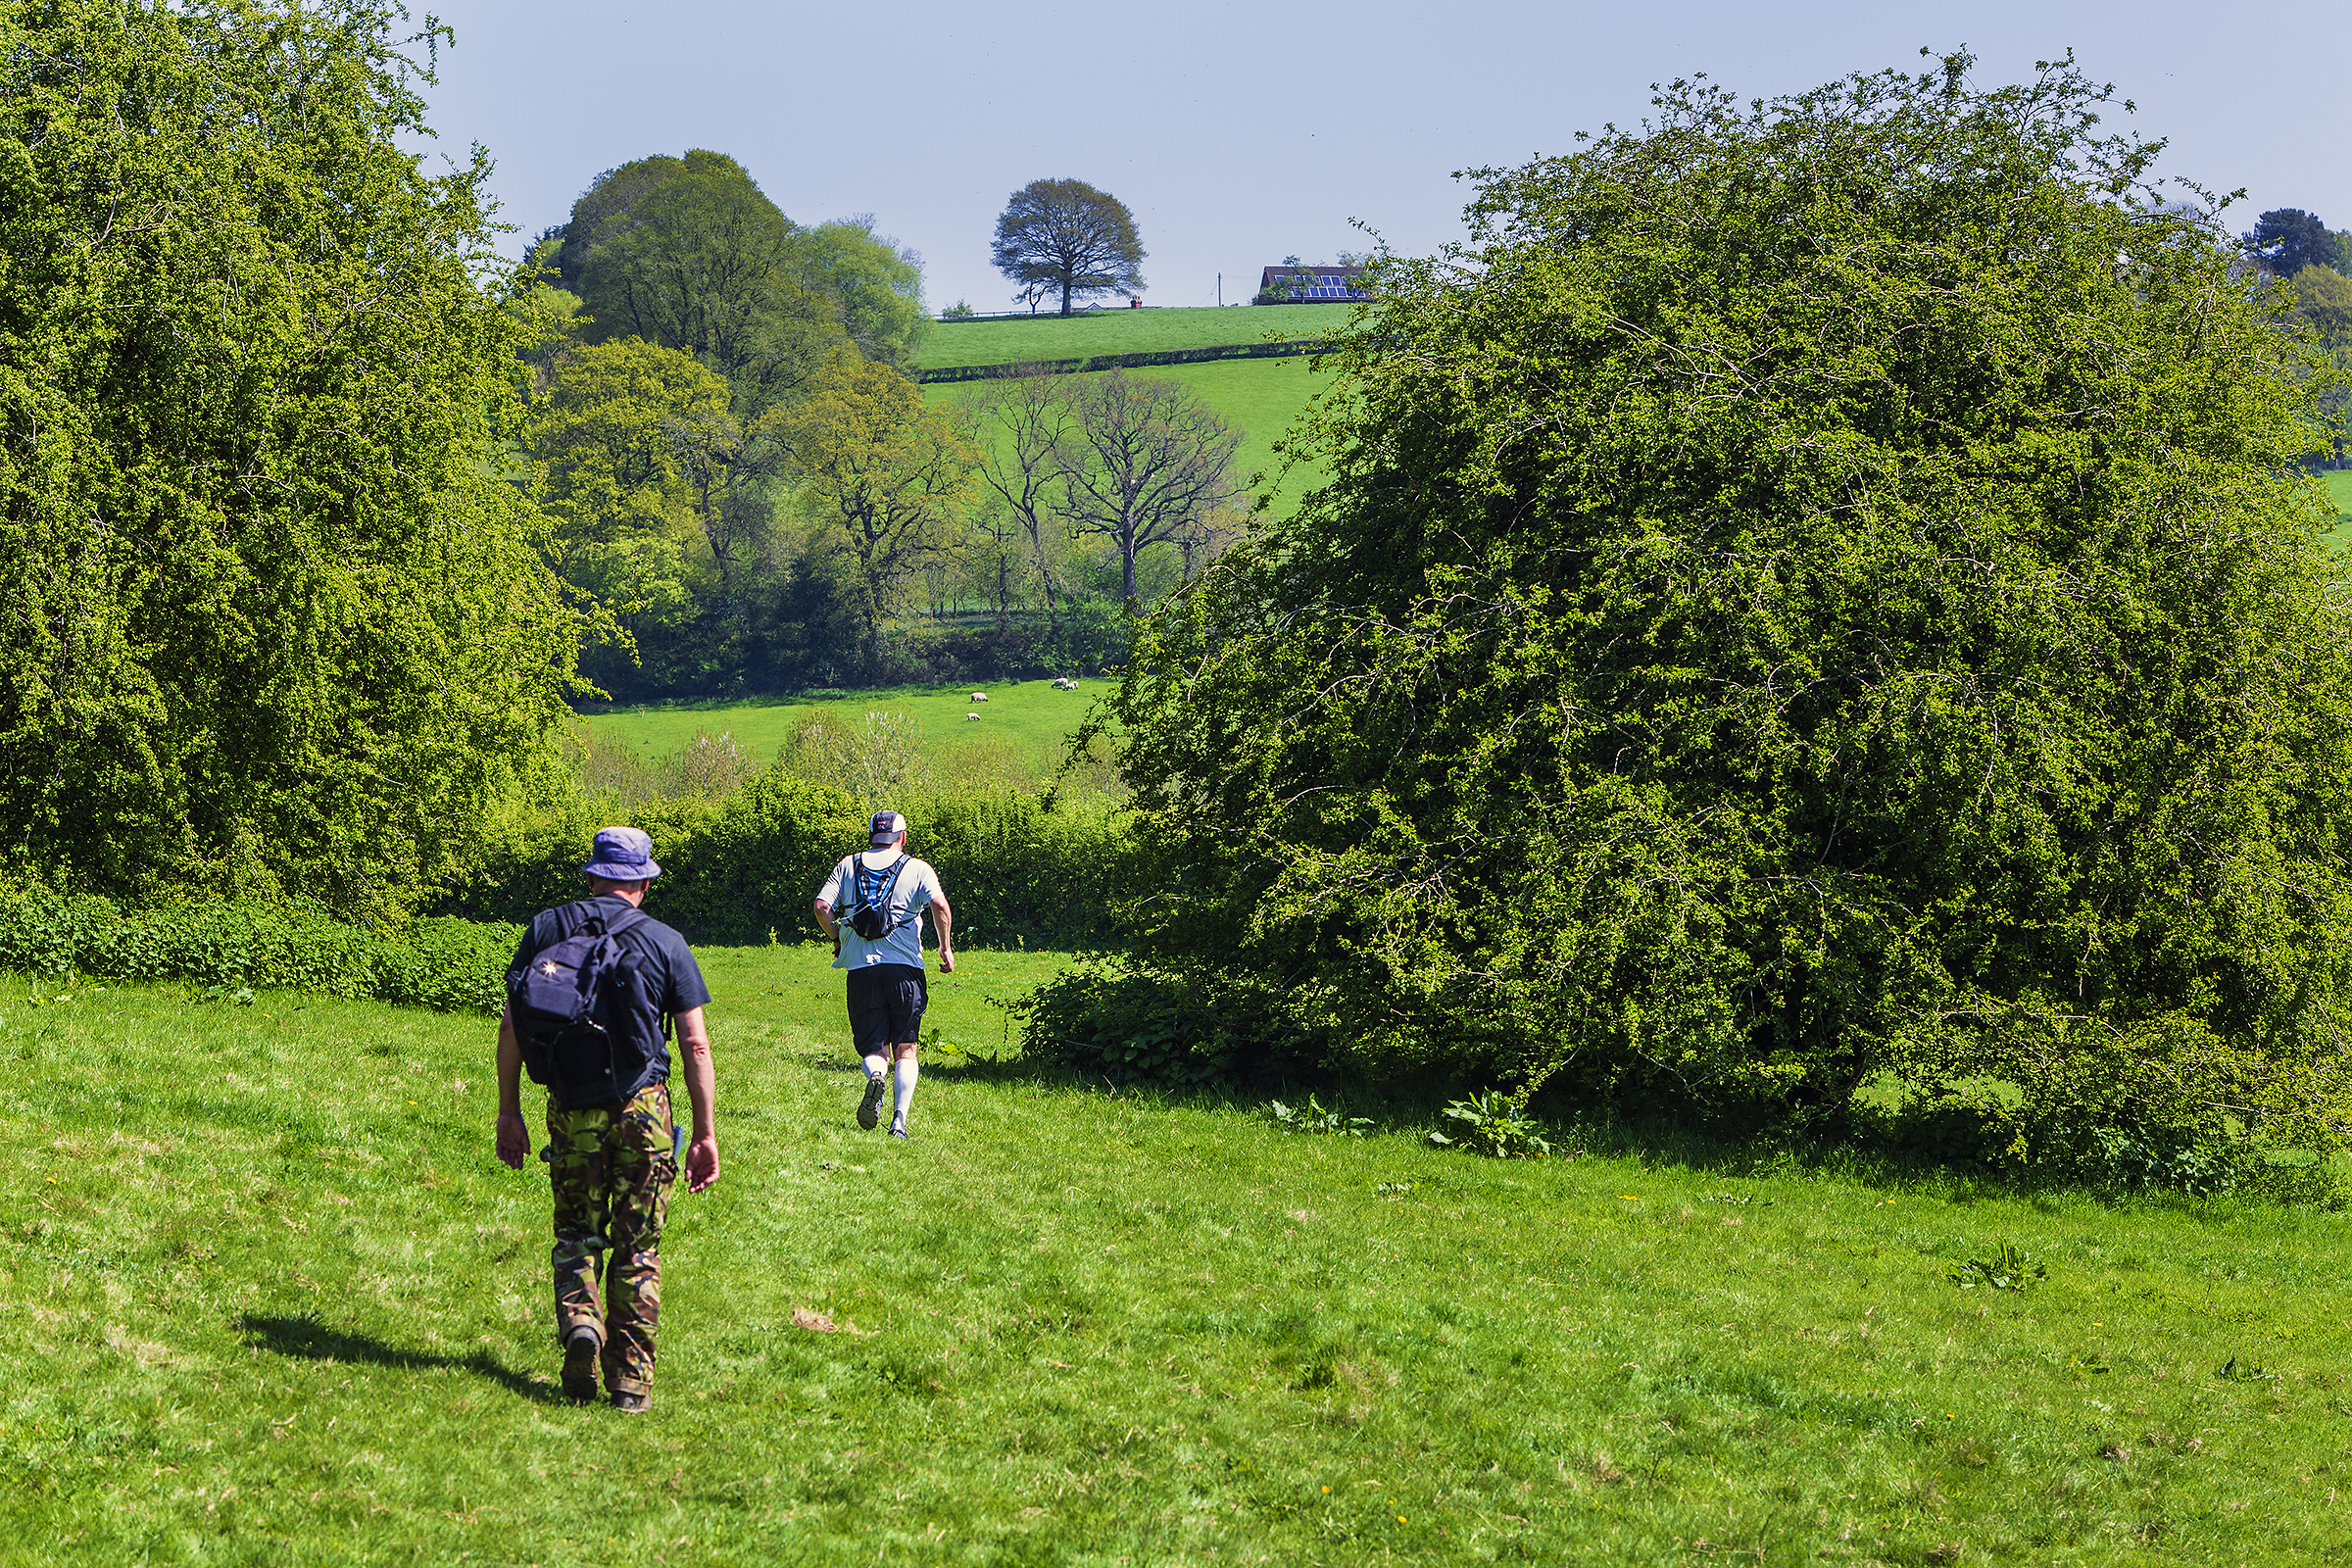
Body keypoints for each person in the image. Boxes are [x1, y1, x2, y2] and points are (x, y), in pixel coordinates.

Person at [494, 825, 719, 1414]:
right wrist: (704, 1133)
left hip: (569, 1107)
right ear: (642, 881)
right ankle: (630, 1385)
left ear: (593, 874)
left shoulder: (546, 929)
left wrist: (508, 1110)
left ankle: (580, 1324)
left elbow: (514, 1025)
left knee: (576, 1233)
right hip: (643, 1109)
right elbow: (695, 1045)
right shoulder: (665, 943)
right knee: (637, 1246)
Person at [813, 809, 956, 1138]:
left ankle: (876, 1075)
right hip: (905, 971)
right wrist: (945, 948)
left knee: (874, 1048)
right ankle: (899, 1122)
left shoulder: (847, 865)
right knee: (907, 1047)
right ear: (902, 837)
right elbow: (940, 906)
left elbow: (822, 906)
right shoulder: (918, 868)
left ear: (871, 836)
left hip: (863, 972)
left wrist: (837, 937)